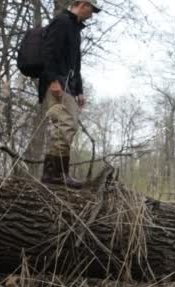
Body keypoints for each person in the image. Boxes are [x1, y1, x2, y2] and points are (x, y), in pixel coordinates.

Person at [38, 0, 101, 188]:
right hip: (56, 84)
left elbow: (76, 65)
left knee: (69, 125)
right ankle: (53, 176)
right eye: (92, 9)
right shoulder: (62, 22)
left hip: (69, 86)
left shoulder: (74, 29)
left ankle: (59, 174)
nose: (92, 14)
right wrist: (53, 80)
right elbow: (47, 52)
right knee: (64, 124)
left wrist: (79, 91)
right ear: (83, 4)